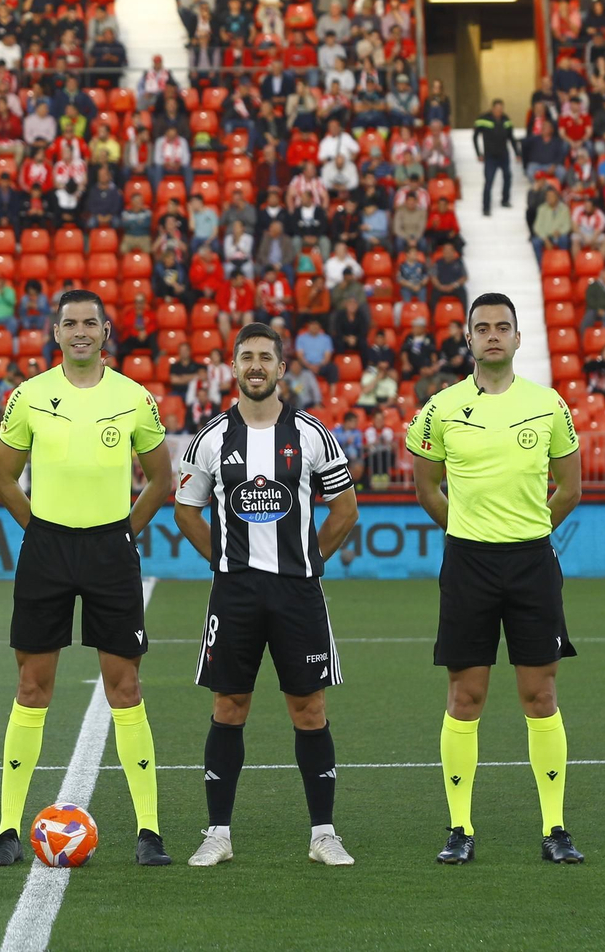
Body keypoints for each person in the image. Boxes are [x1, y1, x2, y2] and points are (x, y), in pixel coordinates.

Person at [0, 289, 175, 867]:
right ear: (57, 332)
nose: (81, 331)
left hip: (110, 550)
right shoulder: (30, 396)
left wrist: (125, 533)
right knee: (32, 686)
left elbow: (160, 480)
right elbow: (5, 475)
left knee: (126, 688)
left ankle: (150, 832)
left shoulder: (135, 398)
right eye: (71, 323)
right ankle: (8, 830)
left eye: (91, 322)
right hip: (48, 550)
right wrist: (37, 529)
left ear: (106, 331)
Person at [404, 293, 586, 866]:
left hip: (532, 564)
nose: (492, 336)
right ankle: (460, 828)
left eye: (501, 327)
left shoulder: (548, 405)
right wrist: (465, 529)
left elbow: (571, 488)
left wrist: (531, 531)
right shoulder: (440, 407)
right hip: (469, 565)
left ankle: (555, 827)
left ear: (517, 337)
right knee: (466, 695)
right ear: (467, 337)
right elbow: (427, 486)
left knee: (541, 694)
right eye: (481, 327)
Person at [173, 323, 360, 868]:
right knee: (229, 706)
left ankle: (323, 833)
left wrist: (309, 560)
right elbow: (186, 508)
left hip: (298, 592)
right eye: (246, 357)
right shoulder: (210, 438)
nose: (256, 366)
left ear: (282, 369)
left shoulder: (311, 434)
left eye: (266, 358)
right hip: (234, 593)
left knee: (309, 707)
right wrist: (224, 559)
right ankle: (218, 833)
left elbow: (344, 509)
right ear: (233, 367)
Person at [473, 99, 520, 216]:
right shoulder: (483, 118)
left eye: (501, 109)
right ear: (492, 108)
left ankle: (505, 200)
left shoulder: (506, 119)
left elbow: (511, 138)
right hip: (490, 157)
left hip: (504, 155)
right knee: (489, 181)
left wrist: (517, 153)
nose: (499, 111)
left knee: (507, 177)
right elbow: (475, 136)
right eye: (497, 109)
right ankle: (486, 207)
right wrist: (478, 153)